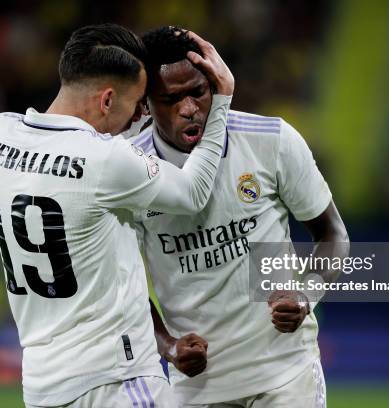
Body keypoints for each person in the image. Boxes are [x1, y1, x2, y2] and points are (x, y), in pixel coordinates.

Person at [0, 23, 234, 407]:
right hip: (116, 381)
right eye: (136, 106)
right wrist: (223, 101)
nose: (137, 120)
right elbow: (193, 192)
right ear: (107, 100)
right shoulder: (105, 160)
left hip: (41, 386)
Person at [131, 27, 349, 407]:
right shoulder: (129, 169)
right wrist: (166, 346)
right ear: (147, 103)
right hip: (196, 386)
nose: (188, 108)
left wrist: (306, 295)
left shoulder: (271, 140)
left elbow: (332, 233)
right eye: (171, 98)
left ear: (216, 85)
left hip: (285, 375)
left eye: (198, 92)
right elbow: (122, 284)